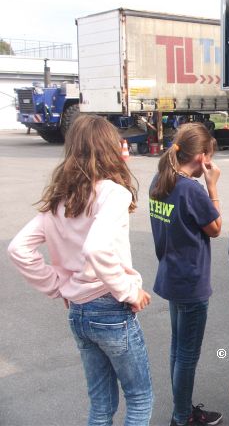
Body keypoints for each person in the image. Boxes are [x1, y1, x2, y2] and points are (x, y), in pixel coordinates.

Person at [7, 115, 154, 426]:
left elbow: (18, 248)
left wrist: (57, 286)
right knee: (139, 400)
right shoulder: (113, 193)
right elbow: (96, 248)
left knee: (101, 406)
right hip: (111, 308)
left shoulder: (60, 200)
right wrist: (129, 291)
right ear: (110, 149)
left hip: (79, 311)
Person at [149, 122, 223, 426]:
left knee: (178, 349)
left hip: (171, 276)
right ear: (203, 157)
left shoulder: (160, 179)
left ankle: (182, 412)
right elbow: (216, 229)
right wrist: (213, 186)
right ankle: (181, 417)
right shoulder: (191, 189)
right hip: (191, 282)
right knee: (187, 354)